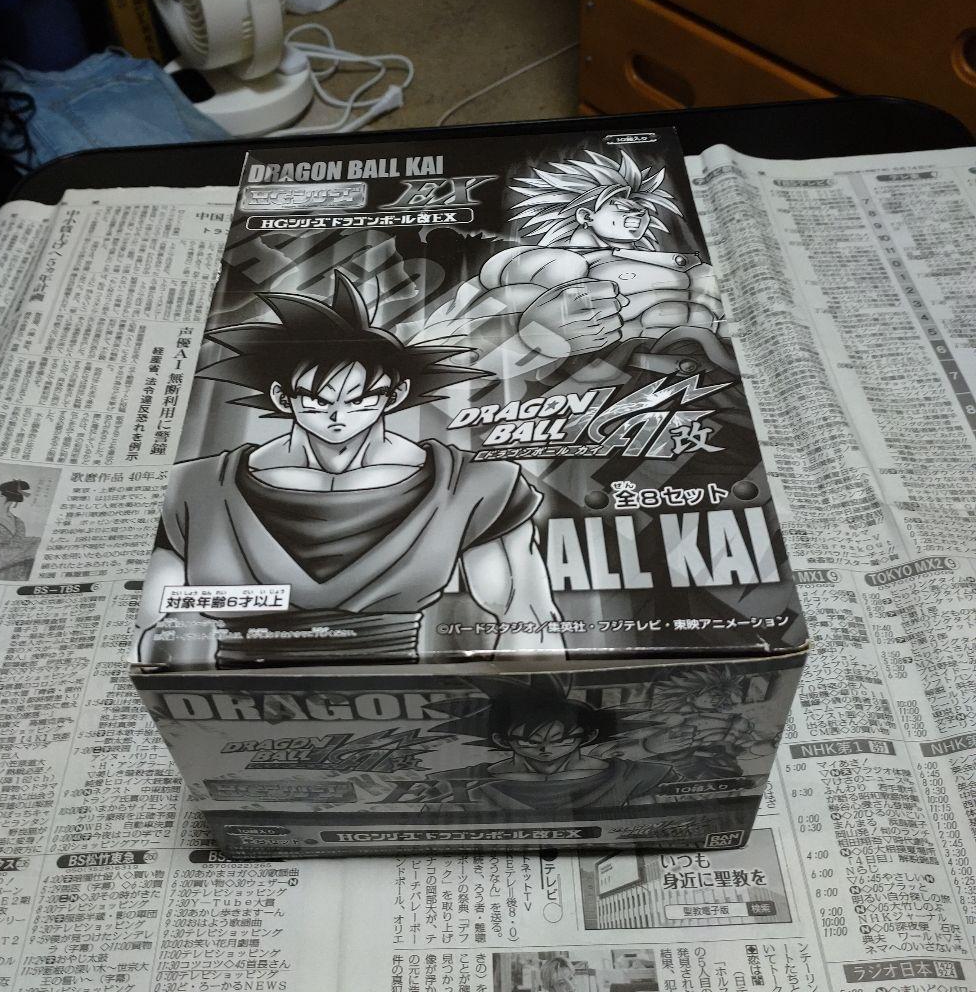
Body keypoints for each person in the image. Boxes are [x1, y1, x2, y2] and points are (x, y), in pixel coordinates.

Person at [138, 272, 560, 658]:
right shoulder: (194, 487)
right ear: (283, 398)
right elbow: (144, 622)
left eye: (360, 399)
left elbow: (526, 614)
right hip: (237, 696)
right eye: (316, 399)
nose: (338, 415)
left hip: (403, 690)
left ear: (395, 395)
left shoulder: (474, 483)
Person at [415, 147, 730, 379]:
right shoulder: (547, 264)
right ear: (585, 215)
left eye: (641, 209)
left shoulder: (679, 265)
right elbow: (434, 353)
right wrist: (528, 338)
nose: (638, 214)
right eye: (622, 206)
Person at [423, 674, 671, 812]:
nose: (545, 749)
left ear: (588, 736)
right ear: (502, 740)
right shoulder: (459, 783)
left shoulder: (635, 776)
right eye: (529, 741)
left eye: (560, 739)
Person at [636, 667, 780, 782]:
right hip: (671, 771)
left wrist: (771, 745)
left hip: (712, 772)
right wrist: (650, 747)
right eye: (713, 693)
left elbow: (746, 748)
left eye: (721, 694)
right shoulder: (663, 719)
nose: (718, 698)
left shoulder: (729, 721)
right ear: (692, 695)